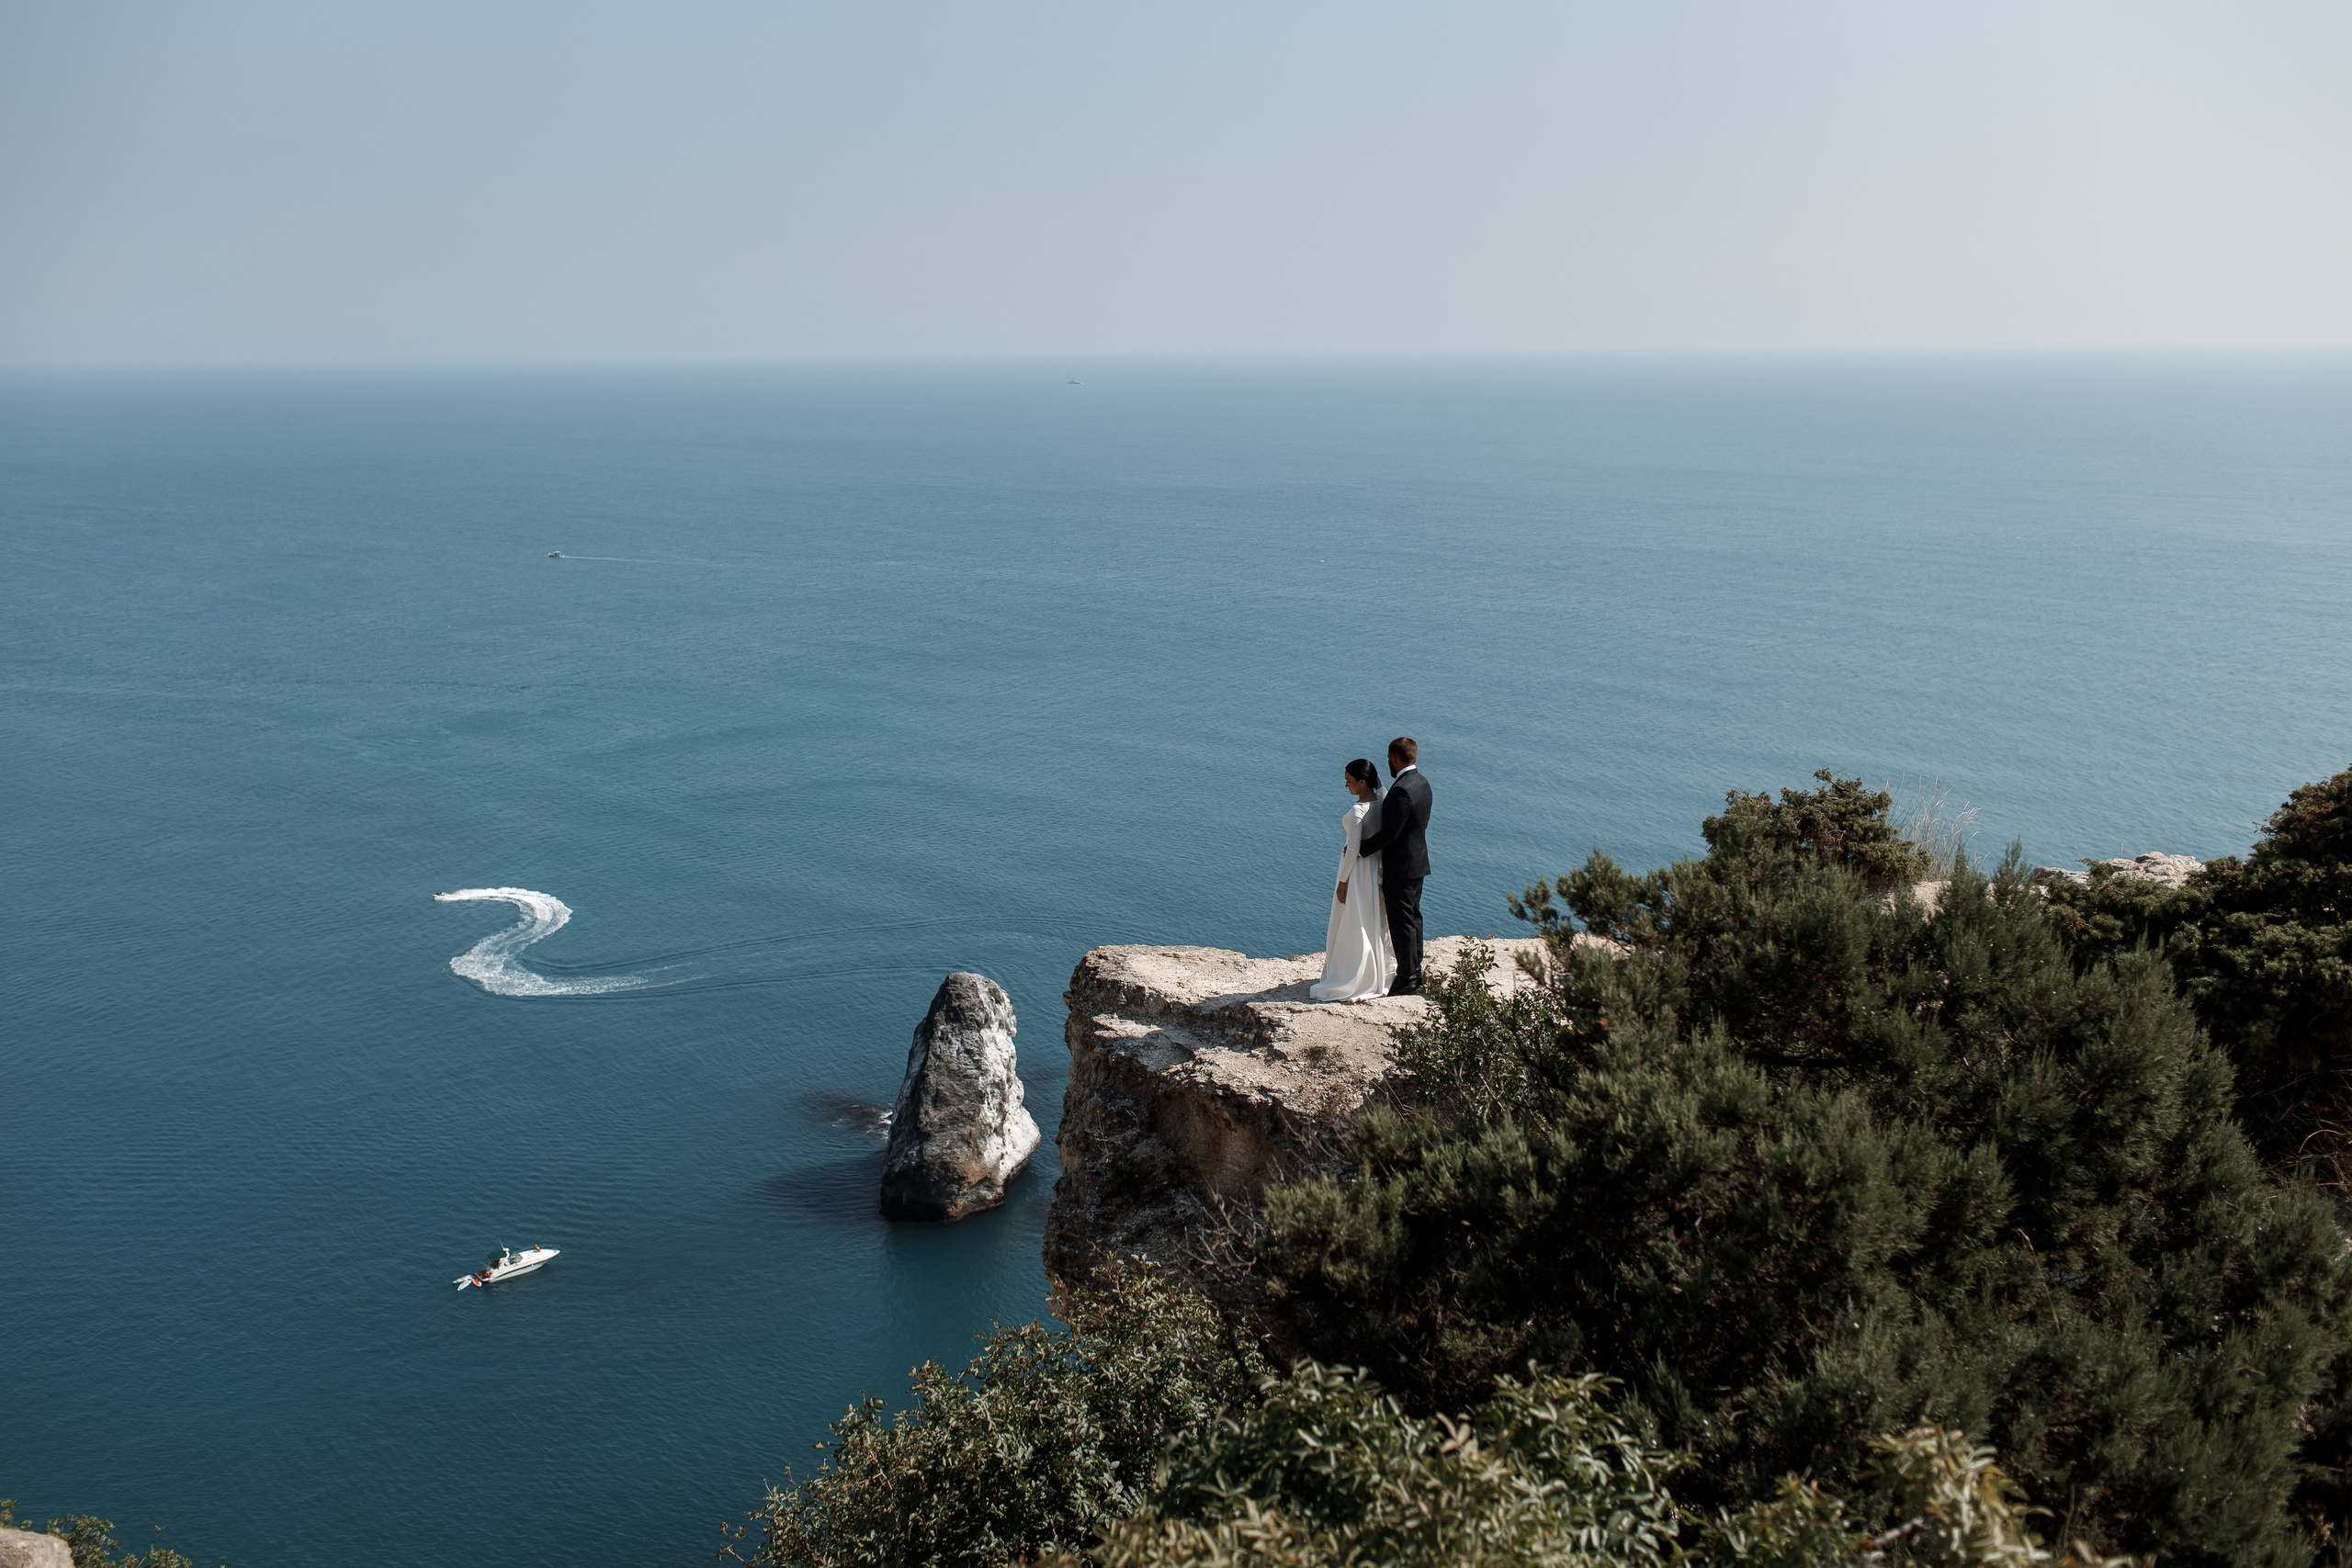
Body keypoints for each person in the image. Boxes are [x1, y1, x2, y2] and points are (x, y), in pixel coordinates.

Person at [1309, 759, 1395, 1001]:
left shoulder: (1358, 811)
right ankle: (1375, 971)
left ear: (1362, 781)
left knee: (1351, 921)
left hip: (1356, 872)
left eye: (1349, 781)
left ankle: (1351, 974)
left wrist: (1342, 882)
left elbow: (1354, 849)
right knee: (1371, 919)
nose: (1346, 786)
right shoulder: (1383, 799)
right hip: (1374, 868)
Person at [1353, 737, 1431, 995]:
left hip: (1401, 867)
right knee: (1413, 918)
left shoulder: (1401, 790)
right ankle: (1415, 971)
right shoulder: (1422, 782)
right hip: (1418, 862)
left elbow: (1390, 834)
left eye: (1389, 757)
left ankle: (1406, 977)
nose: (1388, 762)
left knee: (1401, 923)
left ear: (1395, 757)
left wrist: (1360, 850)